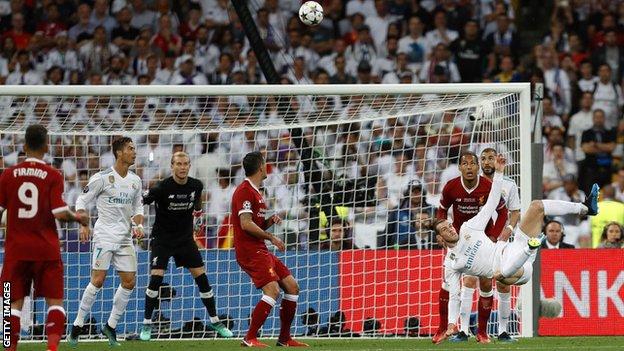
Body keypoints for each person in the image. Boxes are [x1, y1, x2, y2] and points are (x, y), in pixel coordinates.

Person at [433, 155, 600, 342]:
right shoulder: (452, 263)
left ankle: (585, 207)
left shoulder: (468, 228)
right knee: (499, 274)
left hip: (513, 248)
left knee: (536, 206)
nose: (450, 228)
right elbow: (455, 294)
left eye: (449, 225)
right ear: (441, 238)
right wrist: (450, 324)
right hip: (516, 270)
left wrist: (499, 172)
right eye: (445, 230)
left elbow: (492, 202)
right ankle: (530, 250)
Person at [0, 124, 88, 351]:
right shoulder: (52, 175)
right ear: (46, 146)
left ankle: (9, 347)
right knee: (55, 302)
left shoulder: (8, 175)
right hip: (46, 251)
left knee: (11, 304)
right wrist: (79, 218)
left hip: (15, 253)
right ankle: (52, 349)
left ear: (25, 146)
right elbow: (59, 212)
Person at [139, 152, 232, 340]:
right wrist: (137, 223)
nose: (182, 167)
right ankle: (147, 325)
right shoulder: (161, 188)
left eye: (185, 164)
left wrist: (198, 219)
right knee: (155, 281)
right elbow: (140, 201)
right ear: (172, 166)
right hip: (162, 240)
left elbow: (197, 206)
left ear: (189, 166)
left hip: (185, 240)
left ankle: (215, 321)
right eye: (178, 164)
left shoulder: (196, 185)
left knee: (203, 280)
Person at [68, 137, 144, 346]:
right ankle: (77, 325)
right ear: (119, 153)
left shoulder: (135, 181)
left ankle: (110, 326)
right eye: (130, 149)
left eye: (134, 148)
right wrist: (83, 224)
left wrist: (139, 226)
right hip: (104, 236)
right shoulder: (102, 178)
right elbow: (81, 200)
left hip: (125, 238)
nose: (134, 152)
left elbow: (138, 207)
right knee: (98, 280)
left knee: (129, 282)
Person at [231, 151, 308, 347]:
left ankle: (284, 339)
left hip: (259, 248)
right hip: (250, 250)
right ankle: (249, 338)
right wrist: (271, 237)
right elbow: (246, 224)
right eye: (264, 163)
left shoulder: (257, 192)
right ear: (260, 168)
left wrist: (269, 222)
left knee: (292, 286)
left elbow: (255, 225)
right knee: (272, 290)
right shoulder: (244, 191)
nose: (266, 166)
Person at [434, 151, 508, 344]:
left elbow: (502, 212)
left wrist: (493, 236)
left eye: (472, 164)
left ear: (478, 167)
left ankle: (482, 332)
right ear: (459, 167)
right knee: (449, 283)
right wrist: (441, 231)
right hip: (458, 240)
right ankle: (444, 327)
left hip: (483, 239)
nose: (468, 167)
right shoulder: (451, 187)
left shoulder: (486, 186)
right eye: (464, 164)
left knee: (484, 282)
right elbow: (442, 210)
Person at [450, 148, 521, 343]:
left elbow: (514, 211)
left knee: (502, 283)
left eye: (491, 158)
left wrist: (509, 230)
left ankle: (504, 331)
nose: (487, 162)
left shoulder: (509, 185)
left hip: (501, 239)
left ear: (497, 160)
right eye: (483, 159)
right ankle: (463, 330)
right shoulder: (473, 184)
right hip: (478, 240)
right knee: (471, 280)